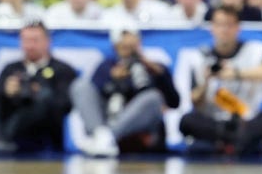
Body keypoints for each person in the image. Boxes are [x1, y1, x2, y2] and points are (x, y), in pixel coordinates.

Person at [179, 6, 262, 155]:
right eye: (220, 25)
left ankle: (230, 141)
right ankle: (233, 141)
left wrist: (236, 73)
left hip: (246, 119)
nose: (224, 30)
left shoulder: (255, 50)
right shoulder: (199, 57)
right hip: (215, 121)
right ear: (212, 28)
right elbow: (194, 100)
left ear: (237, 28)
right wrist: (207, 81)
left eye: (229, 25)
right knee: (188, 121)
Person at [71, 28, 181, 157]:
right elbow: (93, 99)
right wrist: (112, 79)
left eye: (132, 47)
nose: (128, 53)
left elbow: (174, 102)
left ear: (139, 44)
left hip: (137, 126)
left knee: (153, 97)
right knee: (80, 85)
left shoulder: (154, 68)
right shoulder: (106, 66)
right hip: (108, 116)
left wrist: (156, 72)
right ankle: (100, 135)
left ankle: (108, 137)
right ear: (115, 47)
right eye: (124, 47)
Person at [0, 22, 78, 153]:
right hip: (9, 120)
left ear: (47, 41)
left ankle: (3, 139)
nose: (30, 46)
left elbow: (65, 105)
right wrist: (6, 91)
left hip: (40, 130)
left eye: (35, 40)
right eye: (26, 40)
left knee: (45, 97)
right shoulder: (11, 68)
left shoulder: (62, 70)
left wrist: (35, 91)